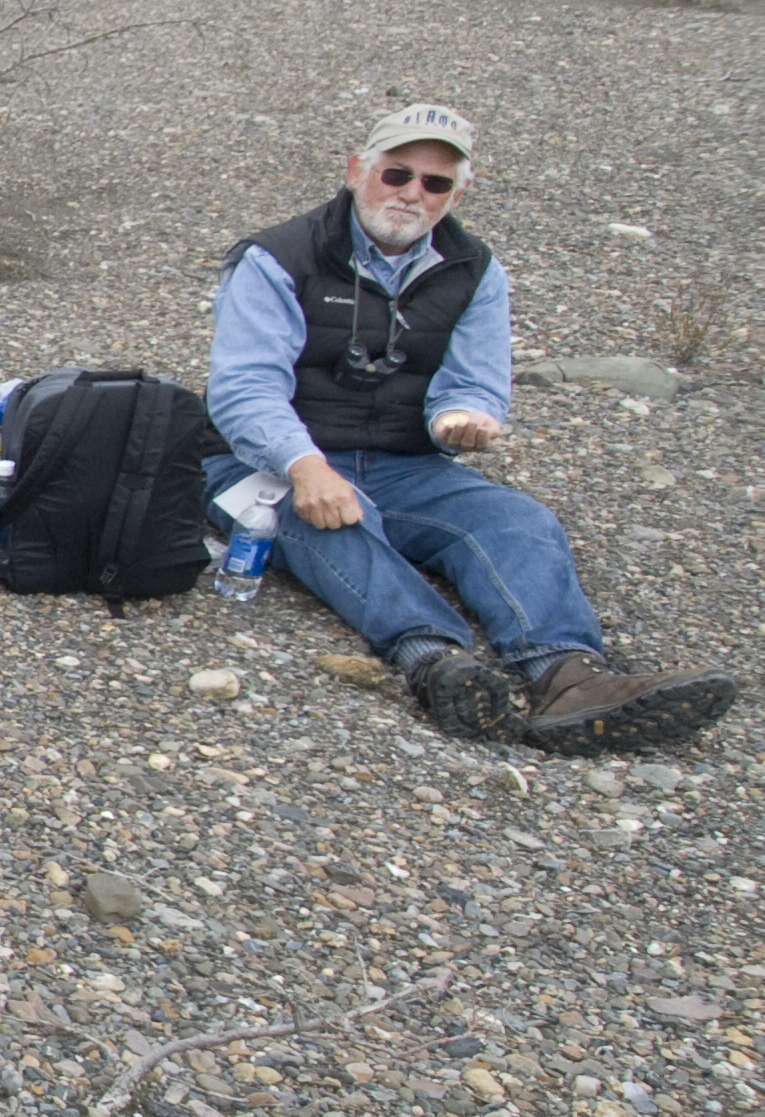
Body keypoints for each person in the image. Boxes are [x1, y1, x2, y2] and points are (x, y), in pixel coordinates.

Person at [207, 103, 735, 750]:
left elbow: (476, 381)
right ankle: (438, 664)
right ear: (356, 170)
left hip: (405, 465)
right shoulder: (276, 258)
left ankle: (568, 676)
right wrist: (305, 465)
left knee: (518, 521)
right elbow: (243, 391)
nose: (411, 194)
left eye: (435, 183)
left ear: (459, 191)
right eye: (397, 174)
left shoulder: (477, 270)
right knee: (339, 521)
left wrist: (460, 418)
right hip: (269, 464)